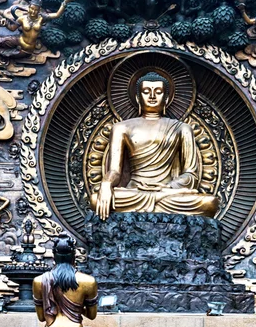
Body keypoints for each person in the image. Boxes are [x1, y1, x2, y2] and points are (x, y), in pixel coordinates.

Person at [92, 71, 219, 220]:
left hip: (167, 192)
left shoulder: (181, 128)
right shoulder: (121, 128)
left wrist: (169, 187)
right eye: (146, 91)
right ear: (139, 98)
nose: (152, 96)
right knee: (95, 200)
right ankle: (153, 203)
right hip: (135, 192)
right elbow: (115, 171)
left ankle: (157, 201)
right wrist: (106, 185)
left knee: (210, 203)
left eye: (158, 92)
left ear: (166, 98)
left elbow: (191, 174)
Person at [0, 0, 73, 58]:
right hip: (18, 40)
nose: (33, 12)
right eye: (32, 9)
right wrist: (6, 23)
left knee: (3, 53)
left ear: (39, 10)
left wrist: (64, 3)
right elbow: (12, 28)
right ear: (29, 8)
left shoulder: (42, 18)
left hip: (27, 50)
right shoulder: (22, 18)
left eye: (36, 10)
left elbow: (57, 15)